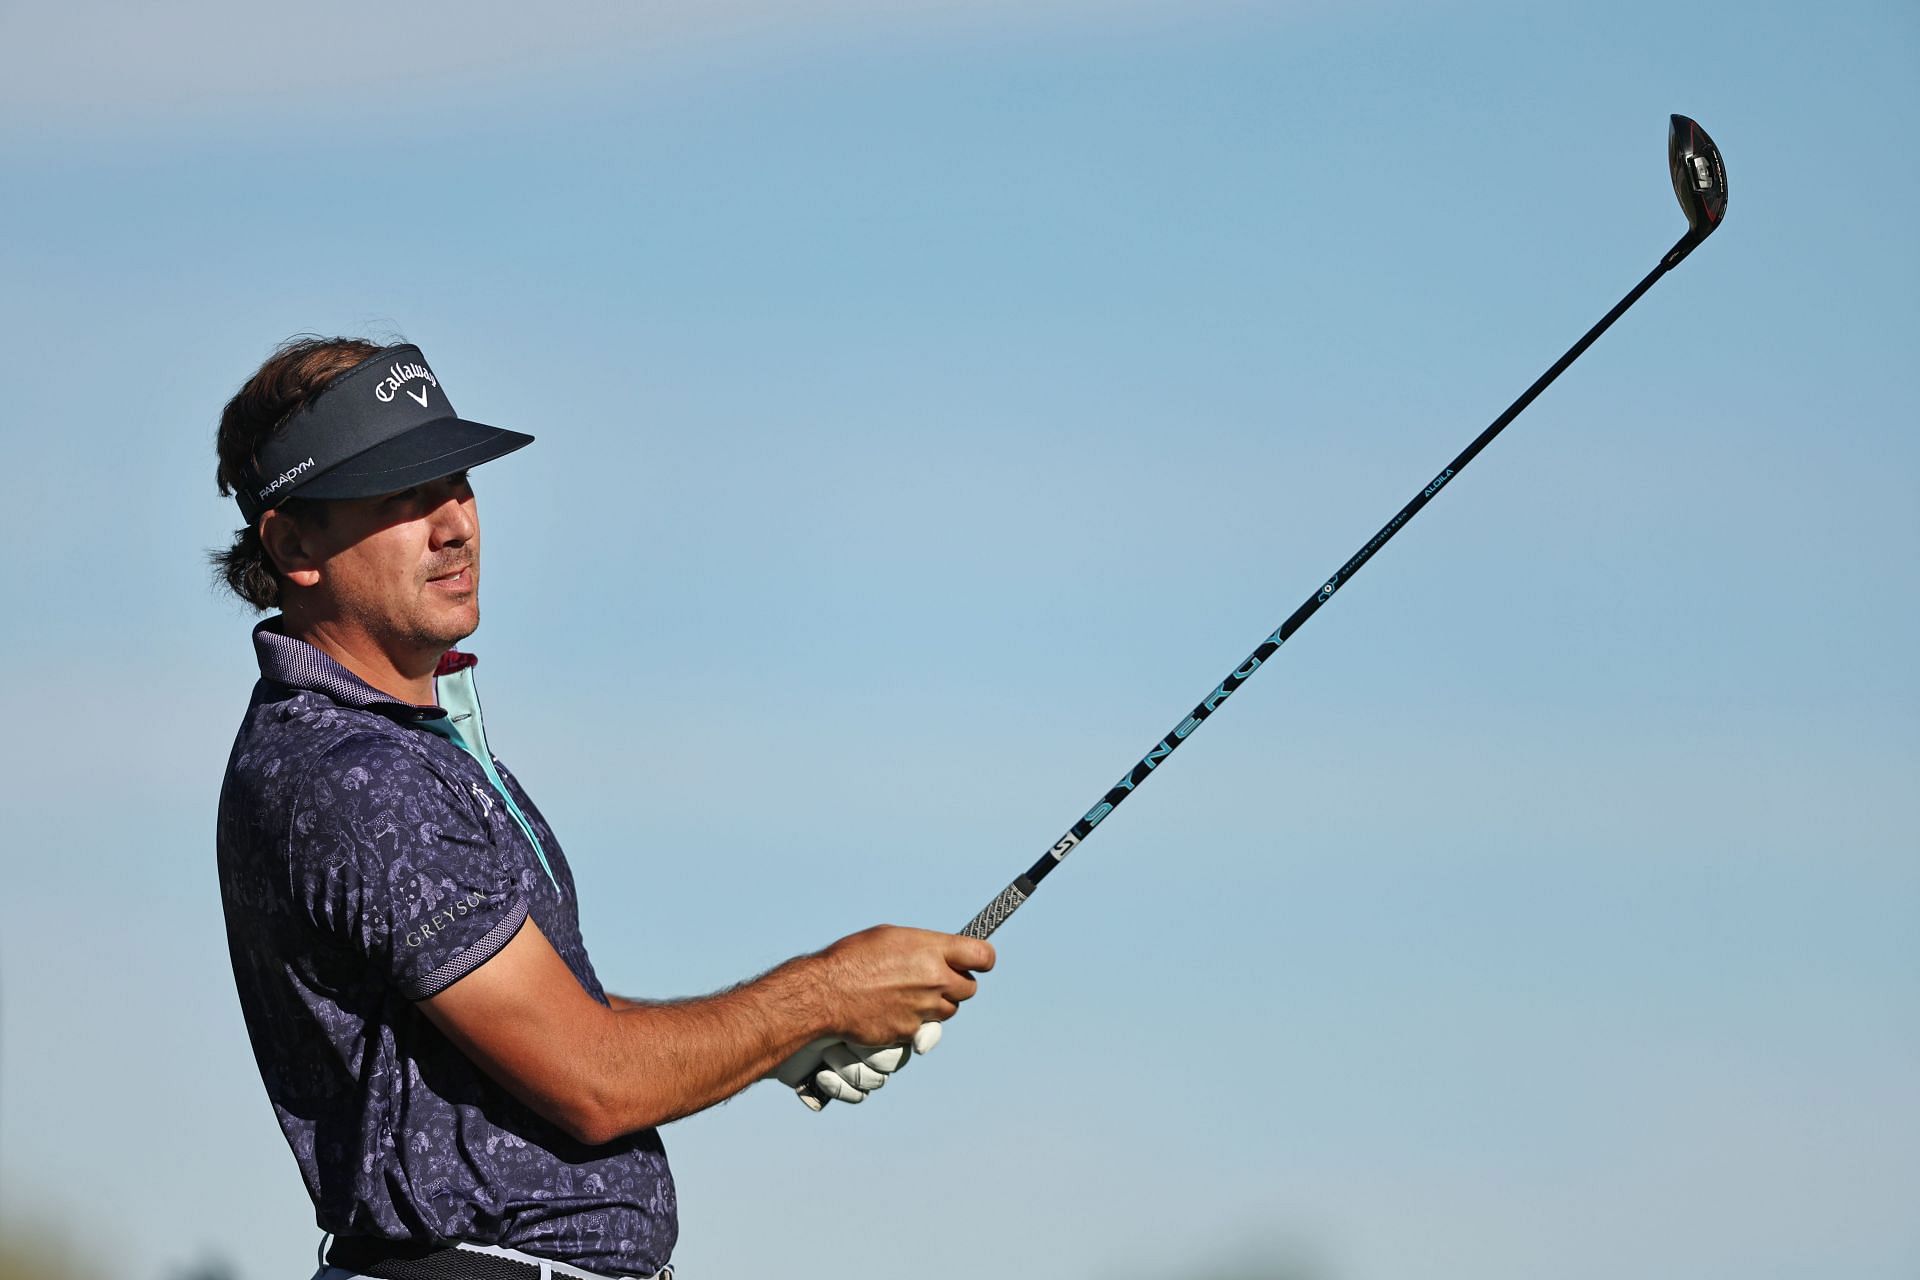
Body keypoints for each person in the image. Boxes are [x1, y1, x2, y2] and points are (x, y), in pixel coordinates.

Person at [213, 337, 995, 1280]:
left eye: (457, 483)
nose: (454, 523)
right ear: (293, 543)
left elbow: (542, 1018)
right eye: (402, 499)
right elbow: (593, 1078)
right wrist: (822, 991)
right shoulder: (355, 774)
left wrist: (785, 1044)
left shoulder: (401, 748)